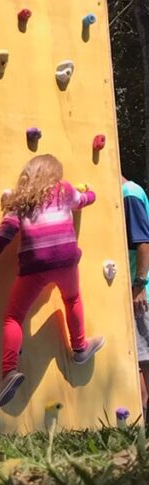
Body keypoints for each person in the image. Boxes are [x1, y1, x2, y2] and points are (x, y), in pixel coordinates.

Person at [0, 154, 104, 408]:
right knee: (72, 298)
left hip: (35, 265)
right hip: (66, 260)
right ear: (55, 174)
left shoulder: (19, 202)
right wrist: (93, 192)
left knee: (13, 317)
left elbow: (4, 235)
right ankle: (80, 349)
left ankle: (9, 372)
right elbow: (84, 200)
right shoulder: (64, 189)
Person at [122, 176, 149, 417]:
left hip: (139, 294)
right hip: (130, 290)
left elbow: (143, 243)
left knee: (143, 361)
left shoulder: (128, 193)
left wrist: (139, 285)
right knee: (139, 361)